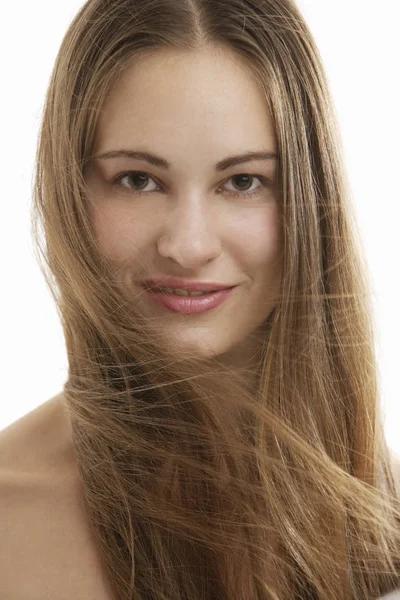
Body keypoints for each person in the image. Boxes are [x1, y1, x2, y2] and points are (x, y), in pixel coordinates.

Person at [1, 0, 400, 598]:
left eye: (242, 182)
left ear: (310, 201)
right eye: (138, 180)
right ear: (71, 190)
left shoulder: (380, 511)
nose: (187, 246)